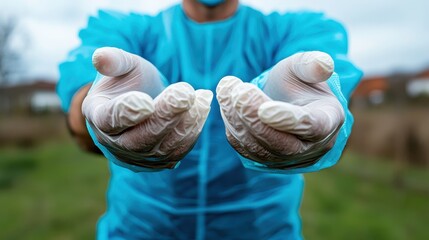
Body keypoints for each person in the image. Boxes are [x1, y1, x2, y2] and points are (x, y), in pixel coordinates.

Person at [57, 0, 362, 239]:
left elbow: (332, 113)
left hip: (262, 232)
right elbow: (83, 99)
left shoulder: (295, 31)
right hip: (139, 229)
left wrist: (310, 106)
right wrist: (96, 105)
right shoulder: (129, 30)